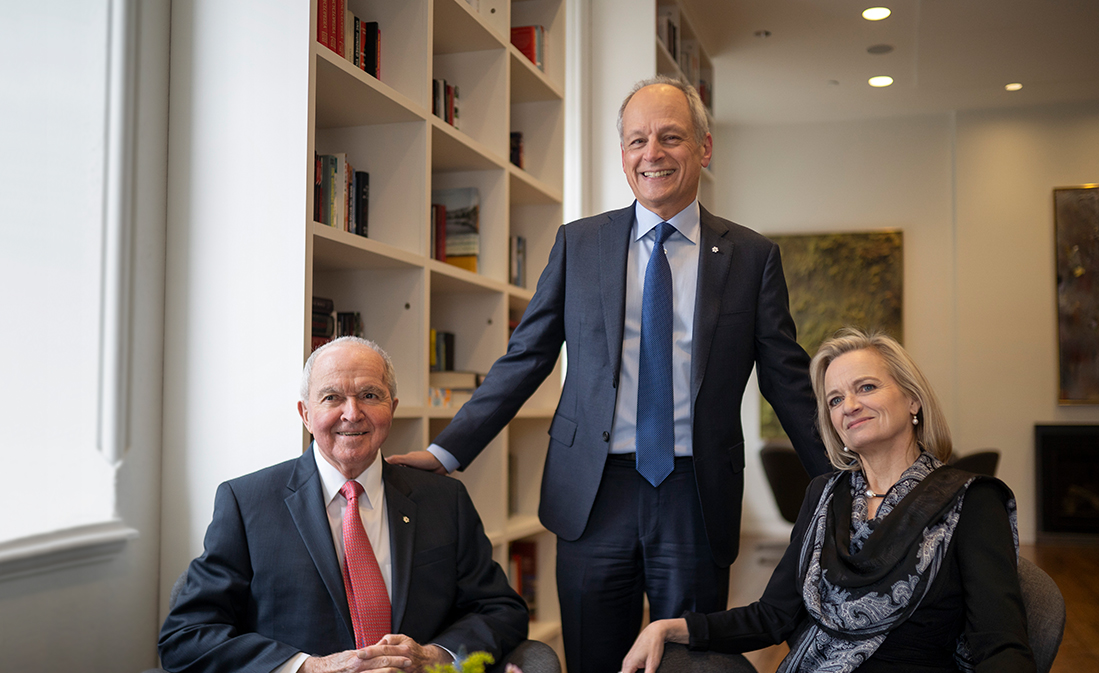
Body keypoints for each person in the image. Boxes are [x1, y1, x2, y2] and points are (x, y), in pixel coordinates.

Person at [386, 76, 830, 673]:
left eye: (671, 137)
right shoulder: (580, 243)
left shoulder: (751, 256)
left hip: (694, 492)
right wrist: (446, 452)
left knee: (688, 661)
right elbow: (527, 357)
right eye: (637, 140)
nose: (653, 153)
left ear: (703, 146)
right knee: (596, 658)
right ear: (622, 153)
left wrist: (845, 478)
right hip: (593, 491)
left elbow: (786, 378)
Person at [622, 327, 1036, 673]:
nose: (849, 406)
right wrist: (671, 627)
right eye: (835, 399)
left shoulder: (972, 501)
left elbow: (1000, 648)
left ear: (913, 399)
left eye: (866, 387)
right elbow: (774, 615)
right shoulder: (824, 494)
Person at [158, 337, 528, 673]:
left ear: (392, 407)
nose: (352, 414)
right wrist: (309, 668)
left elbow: (500, 610)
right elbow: (186, 636)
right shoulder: (248, 502)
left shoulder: (445, 499)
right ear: (305, 413)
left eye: (370, 395)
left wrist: (434, 655)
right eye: (332, 397)